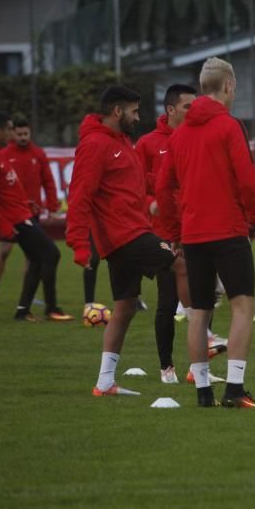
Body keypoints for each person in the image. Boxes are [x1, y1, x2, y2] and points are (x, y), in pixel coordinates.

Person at [157, 57, 255, 408]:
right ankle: (235, 390)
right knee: (241, 307)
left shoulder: (179, 135)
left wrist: (174, 231)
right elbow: (248, 181)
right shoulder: (229, 127)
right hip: (227, 230)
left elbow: (163, 188)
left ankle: (203, 392)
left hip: (193, 235)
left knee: (199, 311)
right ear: (228, 86)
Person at [67, 86, 189, 397]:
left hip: (129, 233)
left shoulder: (122, 142)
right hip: (126, 234)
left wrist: (162, 189)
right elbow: (80, 196)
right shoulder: (94, 145)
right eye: (134, 111)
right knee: (182, 264)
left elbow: (136, 183)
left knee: (125, 306)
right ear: (117, 111)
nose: (139, 116)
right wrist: (79, 243)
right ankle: (209, 335)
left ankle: (105, 382)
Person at [0, 113, 72, 322]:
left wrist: (25, 202)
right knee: (51, 253)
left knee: (37, 258)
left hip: (23, 212)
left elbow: (6, 188)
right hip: (16, 219)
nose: (12, 134)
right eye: (9, 129)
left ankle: (22, 310)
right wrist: (4, 226)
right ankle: (52, 308)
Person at [136, 84, 198, 384]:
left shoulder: (199, 139)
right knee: (167, 300)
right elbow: (133, 187)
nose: (193, 111)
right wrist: (151, 204)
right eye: (188, 106)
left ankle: (197, 368)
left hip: (198, 230)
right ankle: (166, 367)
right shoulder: (147, 144)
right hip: (163, 234)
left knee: (200, 302)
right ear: (171, 110)